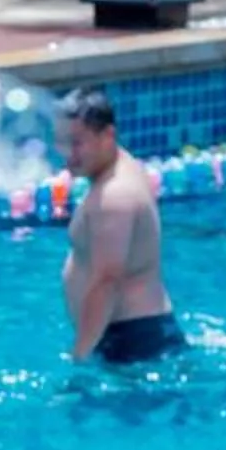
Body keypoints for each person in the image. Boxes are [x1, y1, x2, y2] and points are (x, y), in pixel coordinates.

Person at [57, 88, 183, 367]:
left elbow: (107, 280)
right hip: (137, 335)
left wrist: (80, 355)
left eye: (77, 143)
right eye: (63, 142)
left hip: (133, 343)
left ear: (108, 136)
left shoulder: (114, 196)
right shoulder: (121, 166)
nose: (68, 154)